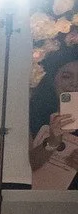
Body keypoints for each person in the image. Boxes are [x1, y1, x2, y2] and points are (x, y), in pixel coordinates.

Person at [28, 43, 78, 191]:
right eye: (66, 76)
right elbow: (27, 164)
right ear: (52, 79)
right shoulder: (33, 111)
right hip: (41, 198)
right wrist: (52, 142)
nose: (75, 84)